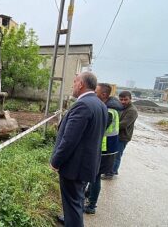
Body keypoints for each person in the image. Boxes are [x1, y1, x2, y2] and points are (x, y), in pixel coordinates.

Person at [50, 72, 108, 226]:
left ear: (81, 84)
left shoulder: (82, 105)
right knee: (77, 199)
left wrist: (55, 161)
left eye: (75, 81)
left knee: (73, 203)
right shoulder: (100, 104)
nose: (72, 85)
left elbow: (69, 140)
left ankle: (73, 221)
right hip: (87, 164)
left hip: (75, 167)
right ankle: (70, 219)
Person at [84, 83, 123, 215]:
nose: (94, 94)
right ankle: (88, 195)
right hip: (107, 148)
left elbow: (97, 129)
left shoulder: (108, 111)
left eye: (96, 92)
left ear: (104, 95)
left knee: (95, 177)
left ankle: (91, 206)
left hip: (105, 149)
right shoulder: (111, 108)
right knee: (94, 176)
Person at [102, 90, 138, 179]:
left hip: (123, 136)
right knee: (112, 154)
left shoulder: (132, 111)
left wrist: (109, 124)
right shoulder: (121, 108)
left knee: (116, 156)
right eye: (121, 99)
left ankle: (111, 173)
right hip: (116, 135)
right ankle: (110, 171)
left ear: (130, 99)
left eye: (125, 100)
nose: (123, 102)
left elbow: (124, 124)